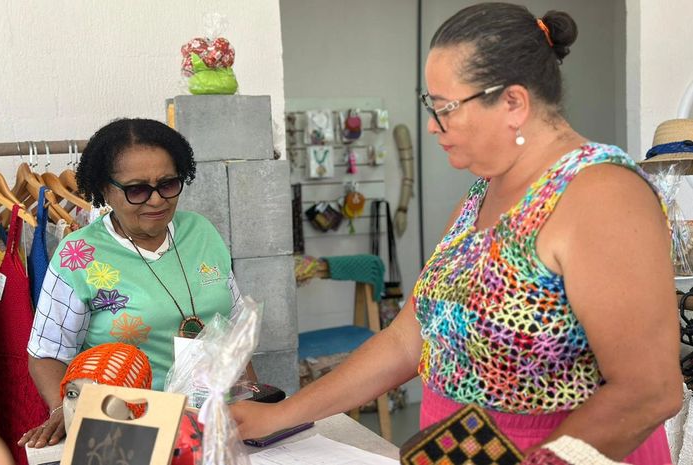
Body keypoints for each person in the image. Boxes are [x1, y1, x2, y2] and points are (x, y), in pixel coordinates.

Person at [231, 3, 682, 463]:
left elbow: (649, 390)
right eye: (431, 105)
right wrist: (281, 414)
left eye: (445, 107)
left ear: (513, 103)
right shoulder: (482, 193)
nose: (432, 124)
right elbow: (408, 339)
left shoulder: (601, 193)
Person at [20, 118, 255, 449]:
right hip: (128, 432)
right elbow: (47, 354)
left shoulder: (202, 232)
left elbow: (234, 333)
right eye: (137, 190)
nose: (157, 200)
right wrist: (64, 409)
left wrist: (255, 400)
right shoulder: (78, 255)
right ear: (105, 189)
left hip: (216, 422)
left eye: (168, 184)